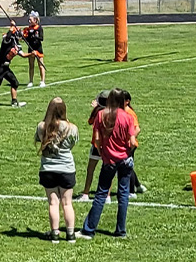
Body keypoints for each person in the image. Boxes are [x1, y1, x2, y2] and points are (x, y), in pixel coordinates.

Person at [78, 88, 137, 240]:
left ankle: (89, 229)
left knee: (101, 194)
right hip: (125, 159)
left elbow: (97, 140)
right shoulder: (127, 117)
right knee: (123, 194)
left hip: (109, 159)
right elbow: (132, 142)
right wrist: (128, 152)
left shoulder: (101, 115)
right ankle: (121, 230)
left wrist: (102, 151)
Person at [35, 97, 79, 243]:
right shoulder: (72, 127)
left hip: (48, 169)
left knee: (53, 202)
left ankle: (55, 233)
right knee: (67, 203)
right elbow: (73, 144)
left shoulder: (42, 126)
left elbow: (39, 141)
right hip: (66, 168)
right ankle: (71, 234)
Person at [78, 91, 110, 203]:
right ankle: (107, 195)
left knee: (90, 169)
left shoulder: (98, 112)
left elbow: (90, 122)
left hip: (97, 144)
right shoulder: (114, 112)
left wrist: (94, 109)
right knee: (108, 171)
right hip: (109, 145)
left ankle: (86, 193)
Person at [123, 90, 147, 197]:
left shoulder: (129, 113)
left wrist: (129, 141)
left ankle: (131, 191)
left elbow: (137, 129)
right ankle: (138, 186)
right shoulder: (122, 111)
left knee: (127, 167)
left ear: (127, 101)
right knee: (128, 166)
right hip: (126, 143)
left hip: (130, 144)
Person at [23, 11, 46, 88]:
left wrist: (35, 37)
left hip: (38, 48)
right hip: (31, 48)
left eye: (31, 19)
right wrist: (24, 36)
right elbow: (26, 38)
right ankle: (30, 81)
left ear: (35, 20)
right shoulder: (28, 29)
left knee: (41, 65)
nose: (29, 21)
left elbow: (41, 38)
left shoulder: (39, 28)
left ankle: (42, 81)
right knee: (31, 65)